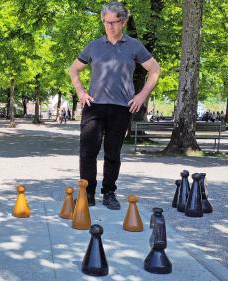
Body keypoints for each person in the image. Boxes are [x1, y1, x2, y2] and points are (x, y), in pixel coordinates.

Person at [68, 2, 160, 210]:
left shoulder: (135, 46)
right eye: (106, 22)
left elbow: (155, 70)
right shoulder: (94, 46)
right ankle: (87, 193)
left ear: (124, 22)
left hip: (121, 108)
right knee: (87, 151)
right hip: (94, 106)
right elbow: (73, 69)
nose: (109, 26)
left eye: (114, 22)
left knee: (112, 152)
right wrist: (81, 92)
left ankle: (109, 192)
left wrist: (141, 96)